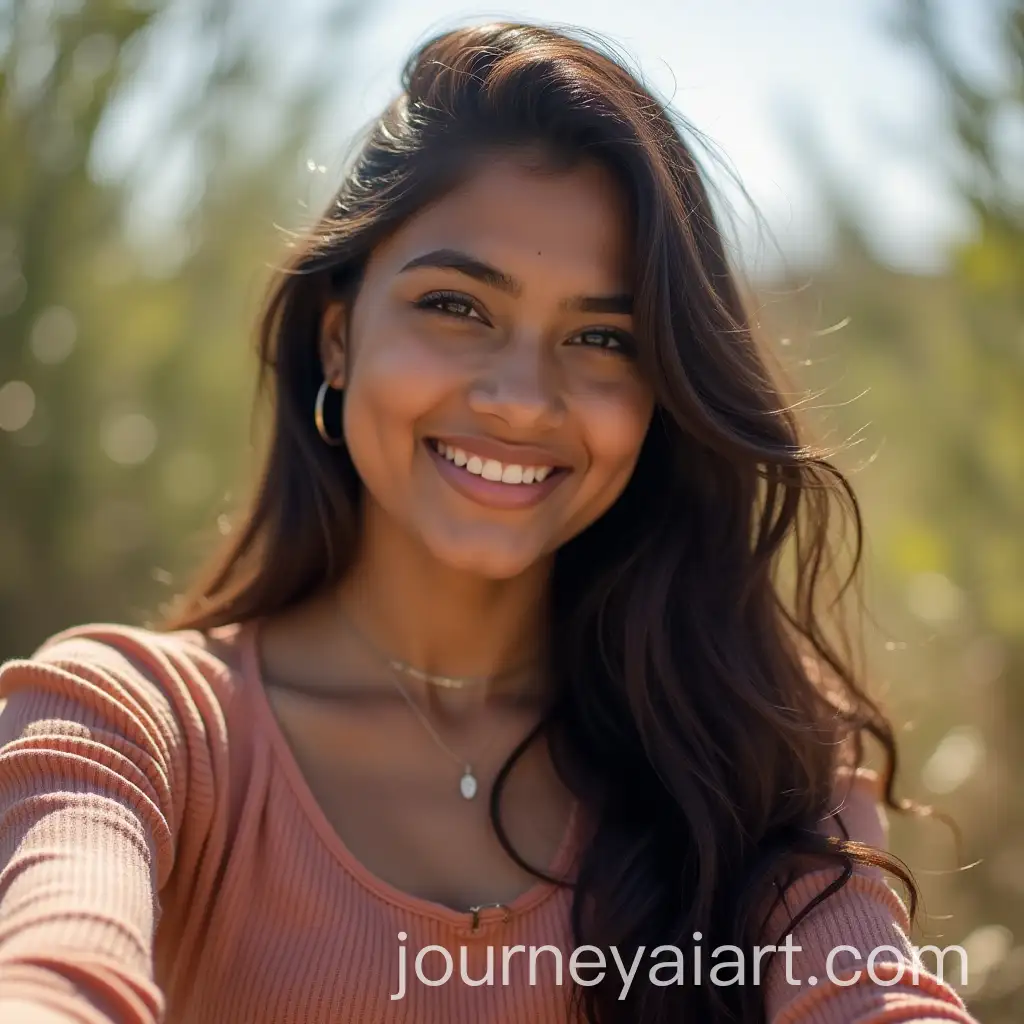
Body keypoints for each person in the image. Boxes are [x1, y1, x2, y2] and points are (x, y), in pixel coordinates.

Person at [0, 21, 978, 1024]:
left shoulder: (751, 767)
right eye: (457, 307)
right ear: (338, 339)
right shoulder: (128, 726)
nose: (521, 399)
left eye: (602, 338)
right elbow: (51, 977)